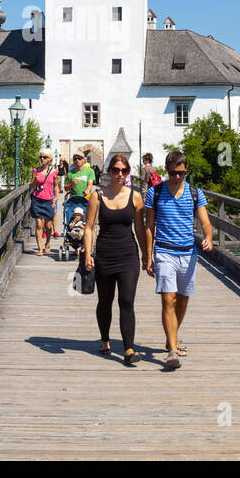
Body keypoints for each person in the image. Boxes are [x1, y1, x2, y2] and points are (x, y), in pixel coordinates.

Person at [143, 149, 213, 371]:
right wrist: (147, 255)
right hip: (164, 251)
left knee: (182, 300)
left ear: (186, 171)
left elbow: (205, 221)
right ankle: (172, 351)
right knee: (168, 299)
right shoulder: (154, 193)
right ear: (167, 170)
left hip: (188, 253)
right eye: (173, 173)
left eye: (181, 174)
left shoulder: (195, 193)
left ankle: (170, 336)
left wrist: (209, 237)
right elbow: (149, 227)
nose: (177, 177)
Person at [84, 153, 147, 365]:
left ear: (128, 173)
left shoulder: (135, 196)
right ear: (109, 172)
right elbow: (89, 227)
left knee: (127, 300)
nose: (119, 174)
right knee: (105, 301)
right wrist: (87, 254)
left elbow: (140, 228)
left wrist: (147, 254)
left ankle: (129, 349)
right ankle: (105, 339)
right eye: (116, 170)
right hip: (104, 255)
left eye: (124, 170)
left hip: (128, 254)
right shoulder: (97, 196)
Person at [63, 152, 96, 230]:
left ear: (84, 160)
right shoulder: (70, 173)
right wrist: (71, 184)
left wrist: (87, 190)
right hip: (74, 200)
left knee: (88, 219)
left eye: (79, 158)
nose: (77, 160)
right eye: (75, 159)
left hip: (86, 198)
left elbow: (90, 183)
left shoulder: (89, 171)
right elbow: (65, 188)